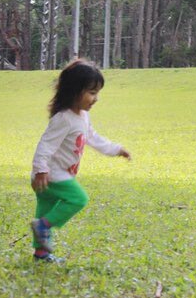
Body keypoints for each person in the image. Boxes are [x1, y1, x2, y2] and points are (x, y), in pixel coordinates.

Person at [30, 59, 131, 263]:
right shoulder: (63, 118)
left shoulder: (82, 116)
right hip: (50, 174)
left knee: (46, 210)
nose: (96, 99)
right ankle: (43, 227)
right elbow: (45, 145)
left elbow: (93, 138)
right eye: (92, 93)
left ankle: (41, 254)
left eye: (97, 93)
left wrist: (115, 149)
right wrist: (40, 170)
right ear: (73, 91)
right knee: (78, 198)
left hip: (56, 174)